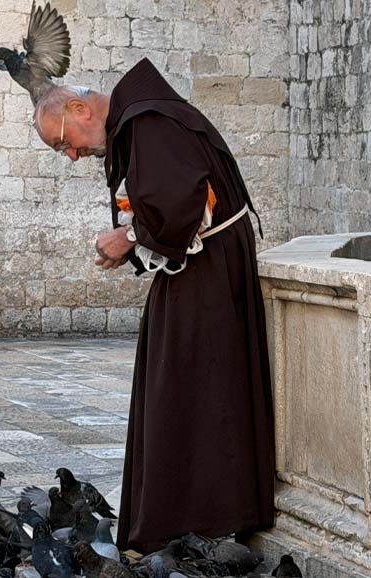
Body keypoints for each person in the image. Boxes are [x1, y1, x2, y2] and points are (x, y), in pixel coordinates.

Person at [33, 58, 275, 553]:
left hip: (208, 274)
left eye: (63, 143)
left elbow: (180, 205)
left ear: (80, 109)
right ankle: (185, 519)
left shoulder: (147, 121)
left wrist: (128, 237)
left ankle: (200, 518)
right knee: (179, 388)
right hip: (199, 269)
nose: (73, 156)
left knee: (193, 388)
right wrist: (132, 238)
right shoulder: (140, 121)